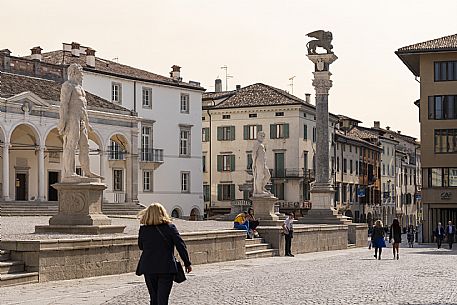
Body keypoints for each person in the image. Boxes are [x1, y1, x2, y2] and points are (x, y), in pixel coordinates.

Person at [136, 203, 192, 305]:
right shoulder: (170, 228)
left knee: (153, 298)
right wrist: (187, 263)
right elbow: (180, 246)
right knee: (163, 299)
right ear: (163, 213)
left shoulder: (143, 229)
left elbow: (141, 246)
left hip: (148, 267)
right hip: (166, 267)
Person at [57, 63, 101, 181]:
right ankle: (69, 173)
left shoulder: (81, 88)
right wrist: (63, 122)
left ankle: (87, 171)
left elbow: (84, 107)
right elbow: (63, 104)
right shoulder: (67, 85)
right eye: (81, 74)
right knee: (71, 144)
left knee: (85, 146)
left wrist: (87, 123)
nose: (82, 76)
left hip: (81, 120)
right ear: (74, 73)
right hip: (72, 118)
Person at [252, 131, 272, 196]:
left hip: (263, 162)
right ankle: (259, 191)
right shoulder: (256, 144)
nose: (262, 137)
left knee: (268, 175)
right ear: (257, 136)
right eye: (261, 136)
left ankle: (261, 187)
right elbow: (254, 154)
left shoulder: (262, 144)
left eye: (263, 136)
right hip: (259, 162)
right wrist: (254, 163)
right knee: (259, 176)